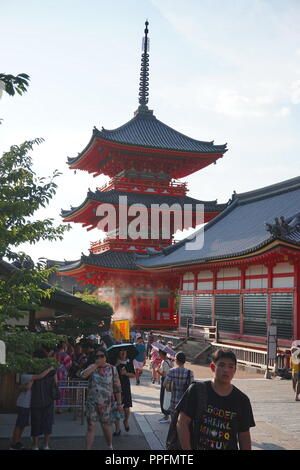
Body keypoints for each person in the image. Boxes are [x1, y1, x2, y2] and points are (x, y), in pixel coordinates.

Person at [176, 349, 255, 450]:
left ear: (235, 370)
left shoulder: (242, 400)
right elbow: (182, 422)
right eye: (221, 365)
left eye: (231, 367)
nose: (226, 370)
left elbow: (244, 435)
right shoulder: (197, 390)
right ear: (213, 367)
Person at [80, 347, 122, 450]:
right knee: (90, 426)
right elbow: (83, 375)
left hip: (106, 403)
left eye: (101, 356)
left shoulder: (112, 369)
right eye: (97, 356)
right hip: (92, 402)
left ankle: (109, 446)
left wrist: (119, 403)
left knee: (106, 426)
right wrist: (95, 365)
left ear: (105, 357)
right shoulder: (92, 367)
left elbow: (117, 387)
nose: (99, 358)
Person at [9, 366, 54, 450]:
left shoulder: (28, 376)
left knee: (22, 424)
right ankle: (14, 444)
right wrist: (49, 369)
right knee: (20, 424)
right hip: (24, 403)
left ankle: (17, 442)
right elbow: (39, 377)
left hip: (27, 403)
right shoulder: (26, 376)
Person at [30, 368, 58, 450]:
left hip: (36, 400)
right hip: (48, 400)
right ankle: (45, 444)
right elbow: (56, 382)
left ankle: (35, 445)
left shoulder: (33, 369)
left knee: (35, 423)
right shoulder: (52, 371)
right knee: (48, 424)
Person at [111, 349, 136, 436]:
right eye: (121, 351)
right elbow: (109, 372)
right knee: (116, 407)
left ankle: (125, 420)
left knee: (126, 406)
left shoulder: (129, 362)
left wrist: (125, 373)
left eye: (124, 352)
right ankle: (117, 429)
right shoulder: (114, 361)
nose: (122, 353)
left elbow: (133, 375)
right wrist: (116, 365)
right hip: (115, 386)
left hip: (125, 386)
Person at [164, 352, 194, 416]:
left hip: (173, 401)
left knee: (173, 421)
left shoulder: (171, 371)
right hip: (184, 403)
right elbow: (192, 388)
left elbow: (165, 384)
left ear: (177, 360)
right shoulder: (190, 373)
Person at [54, 342, 72, 412]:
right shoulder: (66, 356)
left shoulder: (54, 354)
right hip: (62, 374)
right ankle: (59, 407)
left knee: (55, 389)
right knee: (62, 391)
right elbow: (69, 365)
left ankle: (55, 406)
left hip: (54, 373)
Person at [156, 350, 172, 423]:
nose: (159, 355)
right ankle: (167, 415)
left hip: (165, 381)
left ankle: (166, 416)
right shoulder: (169, 361)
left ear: (162, 354)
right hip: (170, 382)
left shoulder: (164, 362)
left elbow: (164, 374)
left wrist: (157, 370)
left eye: (159, 353)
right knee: (167, 398)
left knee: (163, 397)